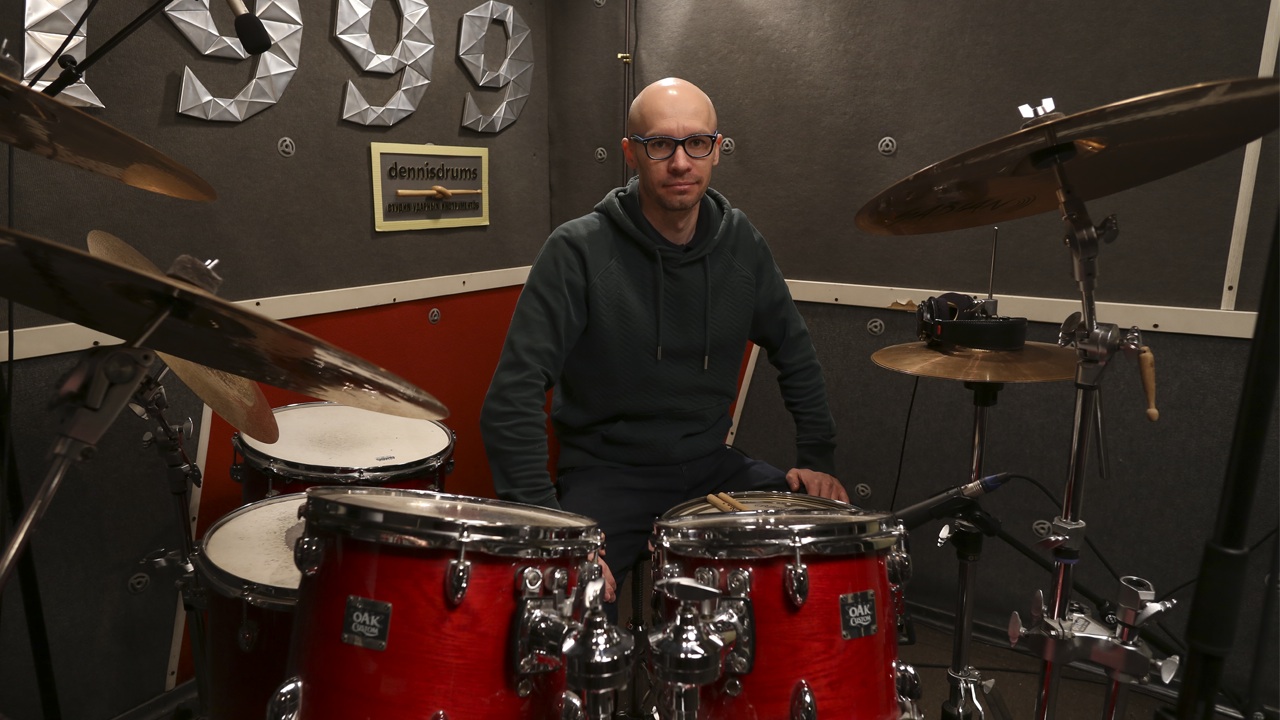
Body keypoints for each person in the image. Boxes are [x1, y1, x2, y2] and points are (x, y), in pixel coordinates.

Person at [480, 77, 847, 604]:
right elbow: (510, 400)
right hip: (608, 472)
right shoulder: (578, 249)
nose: (680, 162)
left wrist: (817, 458)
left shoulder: (741, 242)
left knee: (815, 552)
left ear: (716, 149)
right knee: (565, 601)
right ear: (631, 152)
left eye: (696, 143)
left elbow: (795, 352)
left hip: (712, 465)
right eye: (660, 145)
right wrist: (551, 529)